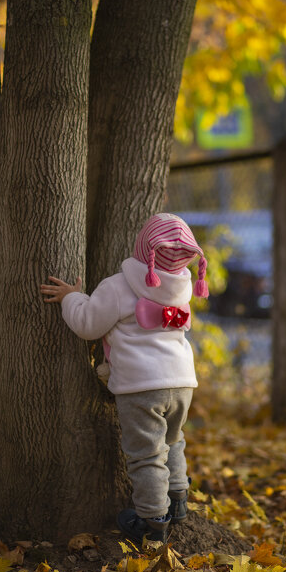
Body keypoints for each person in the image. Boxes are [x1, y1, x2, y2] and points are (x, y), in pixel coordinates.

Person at [40, 212, 208, 546]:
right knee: (173, 439)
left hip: (142, 387)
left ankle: (152, 520)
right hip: (182, 383)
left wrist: (72, 297)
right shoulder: (181, 290)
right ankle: (178, 498)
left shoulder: (117, 286)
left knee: (146, 454)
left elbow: (88, 324)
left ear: (143, 248)